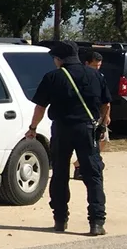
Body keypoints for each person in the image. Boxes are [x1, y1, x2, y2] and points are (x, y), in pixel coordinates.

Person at [26, 41, 110, 236]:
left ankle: (60, 219)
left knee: (60, 175)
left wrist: (33, 128)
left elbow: (40, 107)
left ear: (59, 59)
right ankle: (96, 222)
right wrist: (102, 124)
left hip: (62, 130)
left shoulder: (53, 77)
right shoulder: (95, 75)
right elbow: (106, 104)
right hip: (87, 130)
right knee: (93, 175)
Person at [74, 50, 110, 181]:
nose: (97, 68)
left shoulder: (100, 77)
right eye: (95, 66)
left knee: (103, 140)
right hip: (86, 116)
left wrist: (106, 117)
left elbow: (106, 101)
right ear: (87, 63)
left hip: (98, 114)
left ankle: (86, 164)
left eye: (99, 65)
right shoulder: (81, 77)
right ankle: (80, 167)